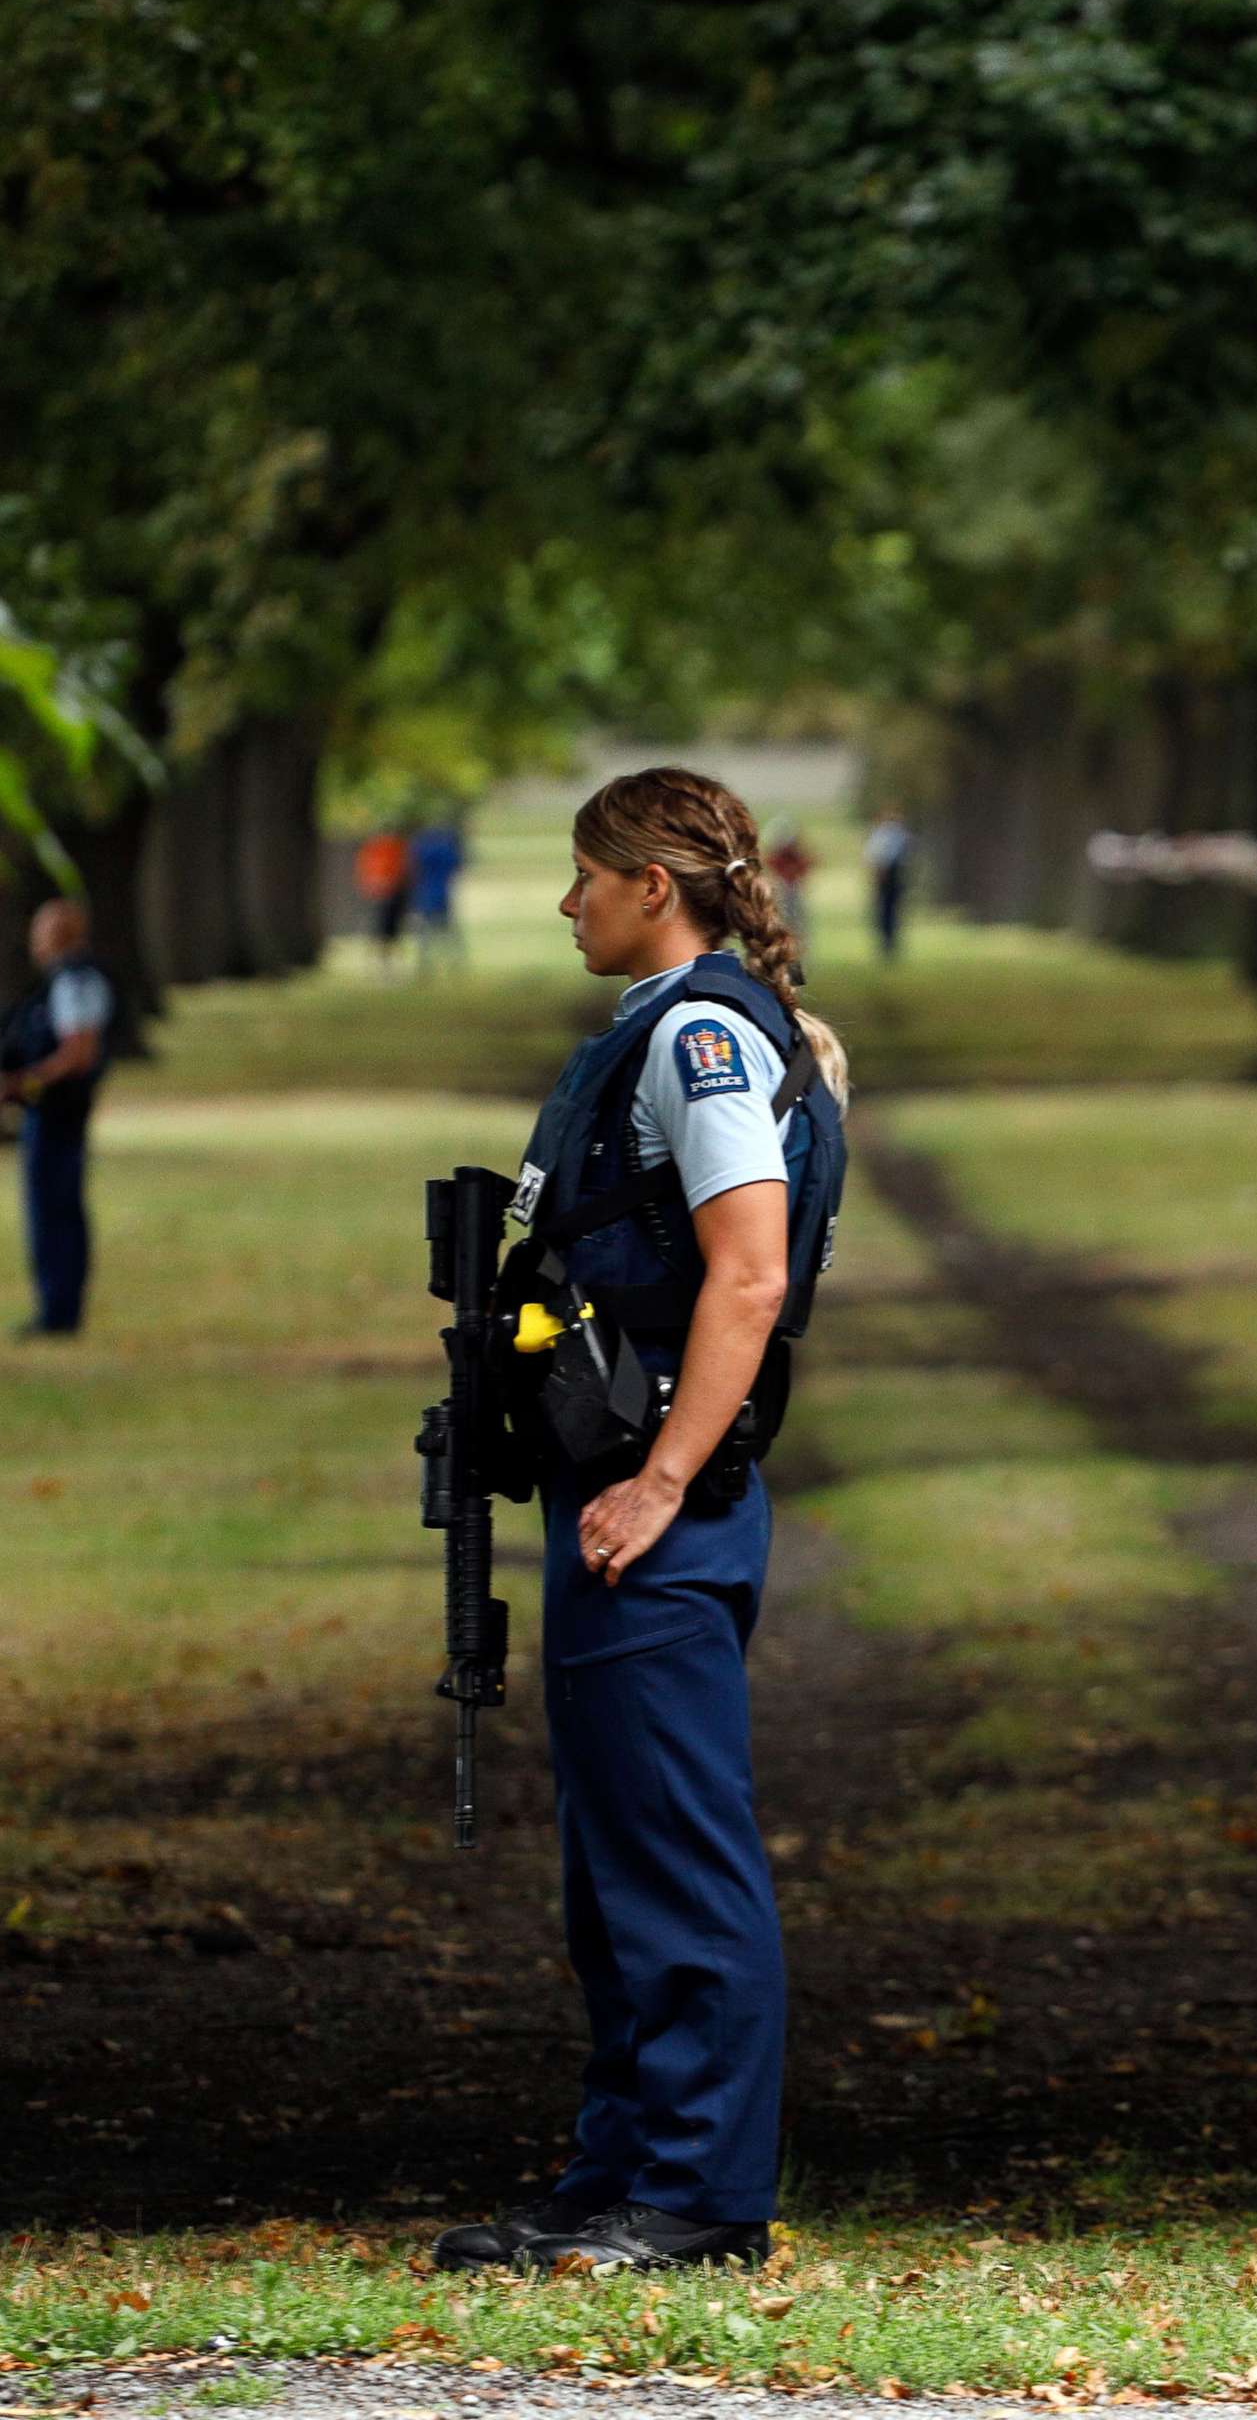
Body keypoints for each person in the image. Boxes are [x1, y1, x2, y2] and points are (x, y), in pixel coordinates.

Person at [434, 766, 850, 2278]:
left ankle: (699, 2198)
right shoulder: (683, 1028)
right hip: (623, 1493)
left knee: (677, 1859)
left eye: (585, 877)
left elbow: (745, 1277)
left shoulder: (697, 1038)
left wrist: (662, 1477)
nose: (567, 903)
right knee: (613, 1867)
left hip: (658, 1505)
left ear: (653, 887)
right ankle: (617, 2173)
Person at [0, 900, 113, 1339]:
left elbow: (79, 1052)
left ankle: (58, 1312)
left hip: (58, 1112)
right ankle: (57, 1306)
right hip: (57, 1111)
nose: (35, 941)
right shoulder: (65, 982)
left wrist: (28, 1082)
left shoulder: (74, 983)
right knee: (57, 1207)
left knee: (53, 1209)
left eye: (41, 931)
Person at [408, 818, 465, 971]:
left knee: (426, 932)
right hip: (441, 894)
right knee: (447, 932)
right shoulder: (446, 849)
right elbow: (457, 865)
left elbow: (413, 866)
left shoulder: (422, 849)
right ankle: (454, 963)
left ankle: (425, 964)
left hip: (426, 893)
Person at [353, 826, 412, 968]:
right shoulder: (375, 849)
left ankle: (388, 959)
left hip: (393, 893)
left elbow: (404, 870)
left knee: (391, 928)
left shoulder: (396, 848)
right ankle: (380, 959)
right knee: (380, 927)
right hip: (380, 894)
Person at [863, 804, 914, 960]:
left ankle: (889, 943)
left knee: (889, 911)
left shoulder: (888, 834)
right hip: (888, 875)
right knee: (887, 911)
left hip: (892, 875)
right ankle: (887, 943)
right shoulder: (891, 834)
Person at [764, 816, 816, 947]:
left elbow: (807, 866)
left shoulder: (794, 855)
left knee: (797, 927)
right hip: (782, 892)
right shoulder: (778, 857)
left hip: (793, 892)